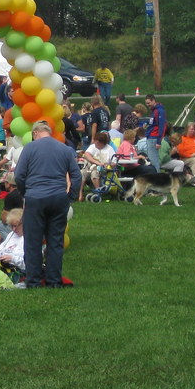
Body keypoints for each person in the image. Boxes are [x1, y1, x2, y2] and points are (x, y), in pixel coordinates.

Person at [14, 120, 82, 288]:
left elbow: (19, 175)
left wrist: (25, 193)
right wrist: (70, 197)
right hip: (59, 198)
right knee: (55, 241)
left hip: (35, 198)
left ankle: (34, 281)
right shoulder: (65, 149)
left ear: (35, 133)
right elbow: (77, 176)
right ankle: (53, 280)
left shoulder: (29, 148)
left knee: (33, 242)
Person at [81, 131, 116, 198]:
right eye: (96, 142)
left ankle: (98, 192)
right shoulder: (93, 147)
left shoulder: (109, 149)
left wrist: (108, 164)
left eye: (98, 143)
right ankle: (80, 194)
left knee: (95, 173)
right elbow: (86, 154)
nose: (96, 144)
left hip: (103, 170)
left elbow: (114, 162)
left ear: (103, 143)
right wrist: (97, 163)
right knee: (82, 173)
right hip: (90, 168)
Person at [143, 94, 166, 169]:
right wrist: (146, 124)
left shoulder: (160, 111)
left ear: (153, 101)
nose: (147, 105)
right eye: (146, 103)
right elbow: (152, 122)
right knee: (152, 160)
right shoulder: (154, 111)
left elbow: (162, 126)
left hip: (154, 138)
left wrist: (159, 141)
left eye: (148, 103)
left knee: (154, 161)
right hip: (150, 136)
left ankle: (157, 178)